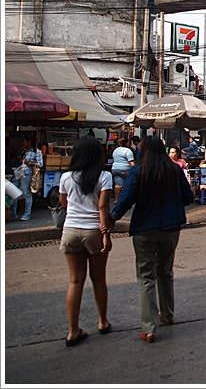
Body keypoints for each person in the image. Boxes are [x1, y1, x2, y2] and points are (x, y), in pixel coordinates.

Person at [109, 136, 194, 343]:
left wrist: (112, 218)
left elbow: (126, 199)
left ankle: (149, 328)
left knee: (146, 276)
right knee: (165, 271)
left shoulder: (138, 171)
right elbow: (188, 197)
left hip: (144, 229)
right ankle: (168, 315)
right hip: (171, 227)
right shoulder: (173, 170)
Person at [58, 137, 114, 347]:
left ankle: (72, 331)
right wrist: (106, 234)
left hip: (70, 230)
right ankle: (102, 321)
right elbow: (103, 207)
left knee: (74, 281)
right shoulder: (104, 176)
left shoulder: (66, 177)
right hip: (93, 231)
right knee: (98, 279)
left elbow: (64, 203)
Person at [12, 136, 43, 221]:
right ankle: (13, 214)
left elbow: (40, 164)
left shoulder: (37, 152)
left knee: (26, 193)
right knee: (13, 191)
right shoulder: (23, 150)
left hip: (27, 174)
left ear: (29, 142)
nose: (23, 143)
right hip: (19, 173)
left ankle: (27, 214)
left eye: (25, 141)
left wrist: (29, 163)